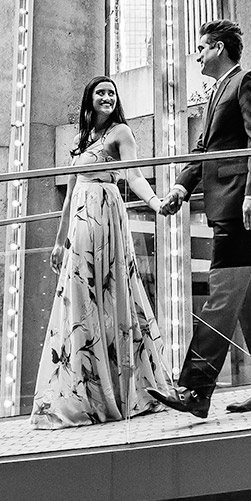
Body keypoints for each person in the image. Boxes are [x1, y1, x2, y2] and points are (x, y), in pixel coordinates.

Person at [149, 18, 251, 419]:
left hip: (238, 204)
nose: (197, 55)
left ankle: (196, 390)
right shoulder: (217, 91)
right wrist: (182, 186)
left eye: (200, 48)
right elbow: (204, 148)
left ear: (216, 47)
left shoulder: (247, 80)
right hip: (223, 204)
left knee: (222, 293)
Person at [30, 76, 174, 429]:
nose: (107, 97)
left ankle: (124, 388)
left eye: (111, 93)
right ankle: (87, 391)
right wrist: (58, 241)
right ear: (89, 100)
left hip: (105, 217)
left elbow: (135, 175)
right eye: (101, 93)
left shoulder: (121, 133)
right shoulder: (81, 140)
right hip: (80, 221)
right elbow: (70, 194)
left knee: (111, 295)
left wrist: (156, 203)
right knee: (79, 301)